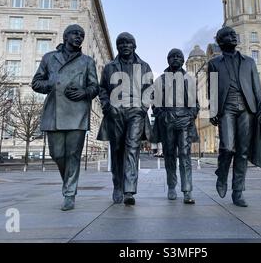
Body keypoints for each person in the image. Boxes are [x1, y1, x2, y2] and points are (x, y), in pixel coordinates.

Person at [208, 26, 261, 207]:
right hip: (226, 108)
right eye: (228, 35)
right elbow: (213, 89)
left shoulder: (249, 62)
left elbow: (257, 89)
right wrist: (213, 111)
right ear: (220, 41)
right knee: (227, 147)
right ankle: (222, 175)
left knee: (242, 152)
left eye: (234, 35)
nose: (233, 36)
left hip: (247, 109)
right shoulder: (214, 63)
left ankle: (238, 192)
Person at [32, 24, 99, 211]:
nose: (79, 37)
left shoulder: (87, 61)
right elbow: (36, 82)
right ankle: (68, 183)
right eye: (75, 34)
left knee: (73, 155)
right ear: (66, 36)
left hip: (77, 113)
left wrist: (84, 92)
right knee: (57, 154)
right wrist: (52, 83)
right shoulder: (49, 58)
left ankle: (70, 193)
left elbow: (95, 87)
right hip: (54, 112)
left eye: (82, 35)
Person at [97, 32, 152, 206]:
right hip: (115, 112)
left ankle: (129, 190)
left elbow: (149, 90)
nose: (125, 46)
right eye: (121, 43)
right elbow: (103, 89)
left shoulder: (144, 66)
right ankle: (117, 186)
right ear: (117, 46)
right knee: (117, 150)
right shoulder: (109, 67)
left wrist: (143, 108)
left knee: (132, 148)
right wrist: (107, 107)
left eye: (128, 43)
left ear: (134, 46)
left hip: (135, 112)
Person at [152, 49, 199, 204]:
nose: (176, 59)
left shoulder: (189, 80)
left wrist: (190, 115)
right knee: (170, 155)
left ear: (183, 60)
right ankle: (171, 186)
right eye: (173, 57)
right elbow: (155, 104)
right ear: (168, 59)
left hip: (184, 121)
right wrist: (163, 116)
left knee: (185, 155)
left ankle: (187, 190)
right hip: (167, 121)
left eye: (179, 56)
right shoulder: (160, 80)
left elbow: (195, 105)